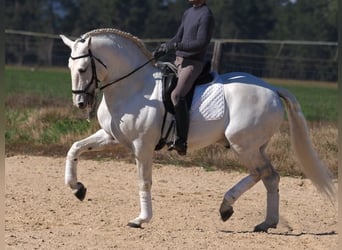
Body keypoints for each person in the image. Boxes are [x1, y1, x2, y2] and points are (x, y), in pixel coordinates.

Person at [153, 0, 214, 155]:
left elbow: (200, 43)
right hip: (179, 60)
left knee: (176, 95)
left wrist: (176, 46)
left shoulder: (206, 15)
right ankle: (164, 134)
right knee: (161, 90)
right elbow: (177, 37)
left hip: (193, 63)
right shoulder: (188, 12)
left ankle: (181, 140)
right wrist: (164, 47)